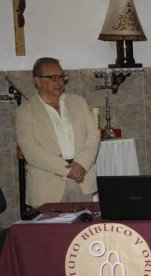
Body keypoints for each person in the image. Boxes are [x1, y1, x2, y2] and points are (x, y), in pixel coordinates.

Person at [16, 57, 101, 208]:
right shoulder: (25, 111)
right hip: (47, 185)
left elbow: (94, 135)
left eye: (62, 77)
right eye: (53, 77)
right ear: (37, 81)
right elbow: (30, 149)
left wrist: (82, 164)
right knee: (51, 232)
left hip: (82, 180)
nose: (59, 82)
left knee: (82, 230)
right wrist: (67, 170)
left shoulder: (78, 102)